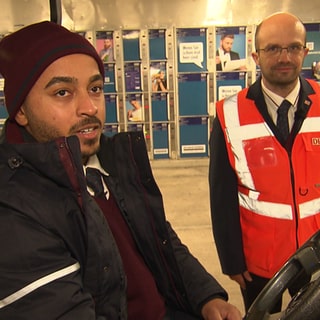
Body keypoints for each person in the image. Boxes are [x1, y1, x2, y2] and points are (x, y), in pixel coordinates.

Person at [0, 21, 242, 320]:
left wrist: (205, 296)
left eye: (95, 88)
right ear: (20, 110)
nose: (89, 107)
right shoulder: (13, 209)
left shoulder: (114, 162)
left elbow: (160, 240)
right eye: (63, 92)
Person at [209, 11, 320, 314]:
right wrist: (231, 258)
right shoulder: (228, 114)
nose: (284, 57)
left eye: (293, 47)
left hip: (315, 250)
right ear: (257, 57)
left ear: (305, 52)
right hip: (258, 258)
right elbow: (221, 195)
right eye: (273, 48)